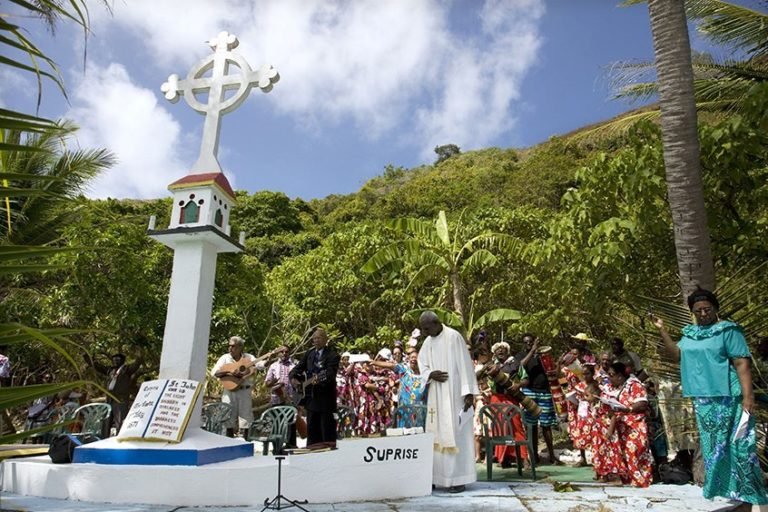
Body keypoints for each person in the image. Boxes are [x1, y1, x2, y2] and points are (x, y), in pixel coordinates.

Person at [653, 288, 768, 508]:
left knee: (740, 445)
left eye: (707, 309)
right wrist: (662, 330)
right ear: (693, 313)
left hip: (730, 397)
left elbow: (742, 363)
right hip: (704, 399)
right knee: (715, 448)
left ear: (715, 308)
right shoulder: (690, 334)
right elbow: (677, 355)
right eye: (698, 311)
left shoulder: (728, 331)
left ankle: (750, 492)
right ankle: (728, 490)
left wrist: (748, 396)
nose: (704, 313)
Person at [418, 311, 479, 493]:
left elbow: (465, 364)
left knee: (456, 433)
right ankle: (437, 477)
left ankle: (458, 479)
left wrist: (468, 393)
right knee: (435, 433)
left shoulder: (453, 337)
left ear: (436, 323)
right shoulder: (428, 342)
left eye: (427, 328)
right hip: (436, 393)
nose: (425, 332)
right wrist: (430, 374)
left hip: (454, 394)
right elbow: (422, 364)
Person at [605, 361, 653, 487]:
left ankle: (641, 480)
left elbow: (642, 403)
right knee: (625, 454)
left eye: (611, 375)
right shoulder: (617, 387)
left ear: (620, 375)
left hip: (634, 425)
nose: (609, 378)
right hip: (622, 426)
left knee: (636, 452)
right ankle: (629, 480)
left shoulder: (634, 385)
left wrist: (629, 409)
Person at [290, 328, 340, 447]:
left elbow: (330, 374)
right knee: (312, 432)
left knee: (326, 432)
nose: (316, 341)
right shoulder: (309, 354)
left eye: (319, 338)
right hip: (311, 399)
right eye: (314, 339)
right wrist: (294, 380)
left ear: (325, 339)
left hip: (326, 400)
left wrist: (320, 380)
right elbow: (297, 369)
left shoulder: (333, 355)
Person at [516, 333, 559, 465]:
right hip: (529, 392)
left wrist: (557, 366)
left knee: (546, 425)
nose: (529, 344)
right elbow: (521, 365)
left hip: (544, 391)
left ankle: (552, 455)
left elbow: (554, 370)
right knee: (531, 425)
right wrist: (532, 351)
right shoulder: (521, 355)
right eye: (527, 343)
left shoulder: (543, 355)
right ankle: (534, 455)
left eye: (531, 342)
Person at [211, 336, 266, 438]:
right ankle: (228, 442)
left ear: (240, 347)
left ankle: (246, 442)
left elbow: (260, 365)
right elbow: (214, 372)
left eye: (233, 346)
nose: (230, 348)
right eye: (229, 346)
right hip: (229, 391)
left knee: (246, 418)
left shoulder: (248, 358)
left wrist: (269, 360)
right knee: (227, 416)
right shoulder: (225, 358)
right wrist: (228, 371)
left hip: (244, 391)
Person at [371, 350, 426, 427]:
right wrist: (374, 362)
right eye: (412, 357)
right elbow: (390, 365)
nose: (414, 359)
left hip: (420, 408)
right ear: (409, 359)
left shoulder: (425, 373)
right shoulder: (404, 369)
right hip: (405, 408)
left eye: (416, 358)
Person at [92, 353, 140, 436]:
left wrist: (139, 354)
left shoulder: (126, 369)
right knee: (106, 420)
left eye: (117, 359)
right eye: (114, 360)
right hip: (109, 398)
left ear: (122, 360)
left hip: (120, 398)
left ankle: (119, 437)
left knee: (120, 420)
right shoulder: (110, 370)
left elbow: (136, 365)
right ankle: (104, 438)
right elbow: (98, 367)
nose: (115, 361)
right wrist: (89, 358)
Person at [264, 345, 298, 448]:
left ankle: (291, 445)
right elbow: (266, 383)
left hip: (290, 398)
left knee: (291, 423)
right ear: (278, 353)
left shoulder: (294, 366)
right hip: (276, 398)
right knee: (276, 423)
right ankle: (276, 447)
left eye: (286, 352)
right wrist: (275, 381)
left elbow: (300, 380)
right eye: (282, 352)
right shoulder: (273, 366)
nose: (284, 353)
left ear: (289, 353)